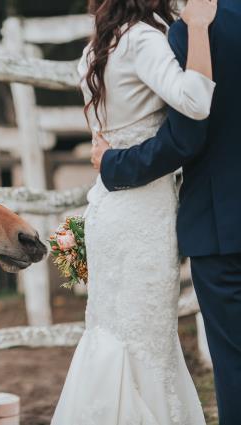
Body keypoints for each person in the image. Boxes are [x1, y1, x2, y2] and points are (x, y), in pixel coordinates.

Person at [52, 0, 218, 423]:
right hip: (143, 211)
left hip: (110, 206)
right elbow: (196, 102)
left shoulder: (97, 48)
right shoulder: (143, 39)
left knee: (116, 334)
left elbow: (102, 141)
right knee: (145, 340)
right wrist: (197, 29)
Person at [90, 0, 241, 422]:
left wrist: (113, 164)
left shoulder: (194, 31)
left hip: (223, 226)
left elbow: (187, 137)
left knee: (234, 365)